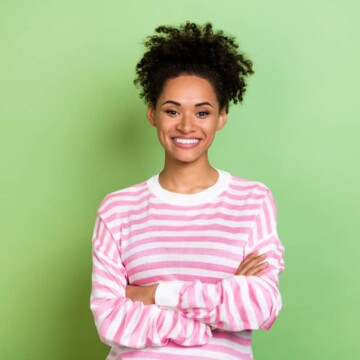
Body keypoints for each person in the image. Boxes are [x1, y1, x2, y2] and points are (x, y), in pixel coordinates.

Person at [90, 22, 285, 360]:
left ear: (221, 116)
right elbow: (110, 319)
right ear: (153, 114)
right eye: (172, 110)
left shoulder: (252, 201)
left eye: (203, 112)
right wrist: (210, 313)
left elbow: (260, 306)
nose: (186, 125)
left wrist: (155, 293)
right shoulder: (117, 208)